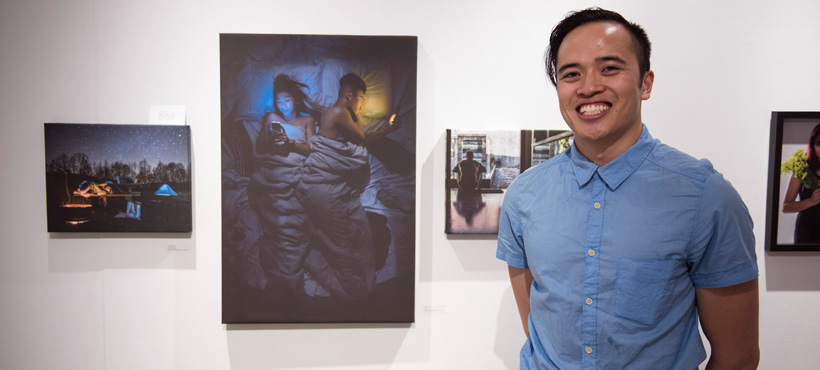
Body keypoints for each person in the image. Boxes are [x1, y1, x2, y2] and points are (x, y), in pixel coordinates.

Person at [496, 8, 759, 369]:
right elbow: (538, 328)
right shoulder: (525, 195)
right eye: (571, 74)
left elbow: (738, 356)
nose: (588, 86)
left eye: (610, 68)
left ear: (645, 83)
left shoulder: (706, 198)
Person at [297, 73, 398, 299]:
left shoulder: (344, 118)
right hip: (322, 186)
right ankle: (354, 293)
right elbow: (361, 135)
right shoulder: (336, 112)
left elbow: (363, 140)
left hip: (340, 189)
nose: (362, 106)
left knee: (362, 235)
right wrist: (356, 111)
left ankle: (362, 283)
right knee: (344, 247)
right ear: (349, 95)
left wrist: (387, 130)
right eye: (361, 99)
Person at [249, 73, 318, 295]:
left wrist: (290, 143)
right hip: (274, 171)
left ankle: (289, 273)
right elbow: (259, 148)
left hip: (295, 169)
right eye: (279, 101)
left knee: (294, 221)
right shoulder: (271, 118)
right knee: (275, 223)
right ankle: (280, 276)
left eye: (286, 99)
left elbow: (310, 149)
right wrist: (270, 138)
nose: (283, 105)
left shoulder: (307, 120)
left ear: (295, 100)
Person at [782, 122, 820, 243]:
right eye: (819, 144)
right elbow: (786, 207)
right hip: (807, 234)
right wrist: (811, 201)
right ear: (813, 145)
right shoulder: (801, 169)